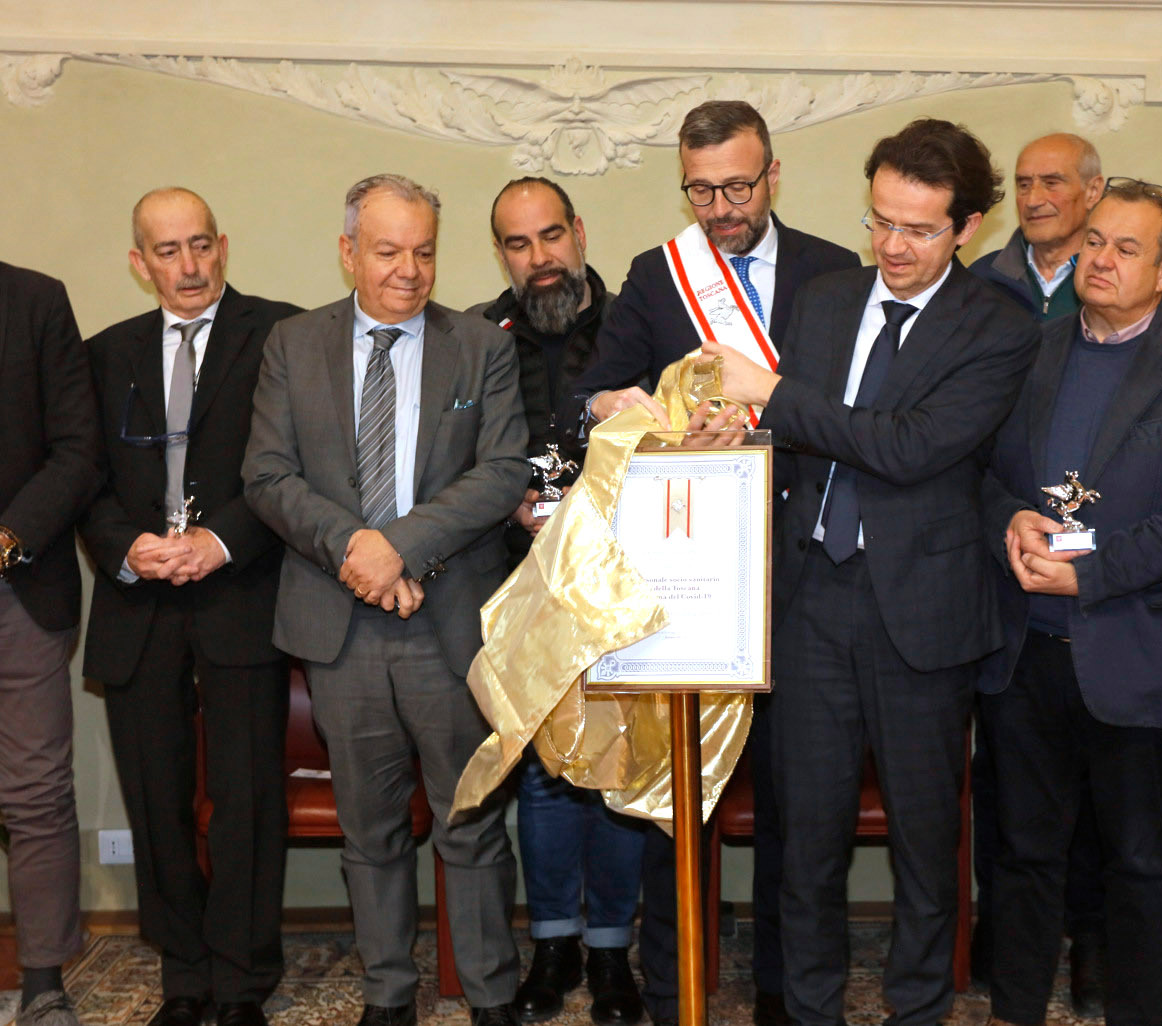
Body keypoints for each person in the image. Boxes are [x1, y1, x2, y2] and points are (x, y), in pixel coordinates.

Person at [701, 117, 1039, 1026]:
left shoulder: (998, 327)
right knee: (805, 840)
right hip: (809, 598)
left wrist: (773, 394)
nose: (892, 245)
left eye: (918, 229)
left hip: (921, 616)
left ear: (967, 228)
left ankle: (917, 1007)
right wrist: (737, 428)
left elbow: (910, 447)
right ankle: (810, 1009)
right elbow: (798, 435)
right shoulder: (827, 299)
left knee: (926, 845)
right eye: (880, 220)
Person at [571, 99, 859, 1026]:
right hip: (694, 579)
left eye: (737, 187)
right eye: (702, 191)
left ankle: (782, 987)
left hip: (804, 575)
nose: (722, 209)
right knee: (680, 796)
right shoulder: (658, 275)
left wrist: (764, 420)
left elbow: (848, 417)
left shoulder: (834, 271)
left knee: (795, 804)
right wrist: (637, 411)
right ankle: (674, 986)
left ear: (773, 174)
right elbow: (592, 397)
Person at [243, 173, 530, 1026]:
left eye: (424, 252)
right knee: (369, 831)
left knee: (470, 823)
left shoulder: (480, 347)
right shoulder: (293, 345)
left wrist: (400, 544)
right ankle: (388, 996)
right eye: (388, 251)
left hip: (449, 626)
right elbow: (267, 475)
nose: (409, 270)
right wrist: (357, 550)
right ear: (347, 252)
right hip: (343, 631)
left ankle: (491, 996)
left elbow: (502, 471)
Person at [978, 179, 1162, 1026]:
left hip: (1138, 650)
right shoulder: (1031, 351)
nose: (1100, 259)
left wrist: (1089, 575)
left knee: (1136, 861)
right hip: (1027, 651)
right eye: (1094, 241)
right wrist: (1010, 518)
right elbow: (981, 472)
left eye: (1126, 248)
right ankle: (1015, 1011)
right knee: (1022, 856)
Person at [78, 189, 300, 1026]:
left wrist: (222, 539)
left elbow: (295, 465)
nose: (190, 265)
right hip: (139, 602)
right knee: (155, 797)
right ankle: (184, 975)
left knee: (247, 798)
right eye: (168, 251)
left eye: (201, 244)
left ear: (224, 246)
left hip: (240, 591)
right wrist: (125, 546)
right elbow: (83, 475)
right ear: (141, 264)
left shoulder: (280, 335)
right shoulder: (105, 353)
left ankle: (241, 979)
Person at [469, 176, 645, 1025]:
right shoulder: (477, 336)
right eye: (517, 243)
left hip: (619, 584)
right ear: (501, 253)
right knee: (542, 776)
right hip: (517, 584)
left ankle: (610, 951)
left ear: (578, 232)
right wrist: (509, 500)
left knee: (613, 768)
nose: (538, 258)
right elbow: (456, 456)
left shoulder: (638, 324)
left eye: (549, 236)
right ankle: (552, 944)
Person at [0, 263, 102, 1026]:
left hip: (19, 583)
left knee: (34, 791)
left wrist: (6, 539)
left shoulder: (35, 300)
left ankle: (42, 982)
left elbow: (78, 449)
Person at [970, 133, 1162, 326]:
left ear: (1093, 191)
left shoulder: (1145, 286)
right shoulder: (982, 278)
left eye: (1051, 183)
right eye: (1024, 185)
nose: (1033, 200)